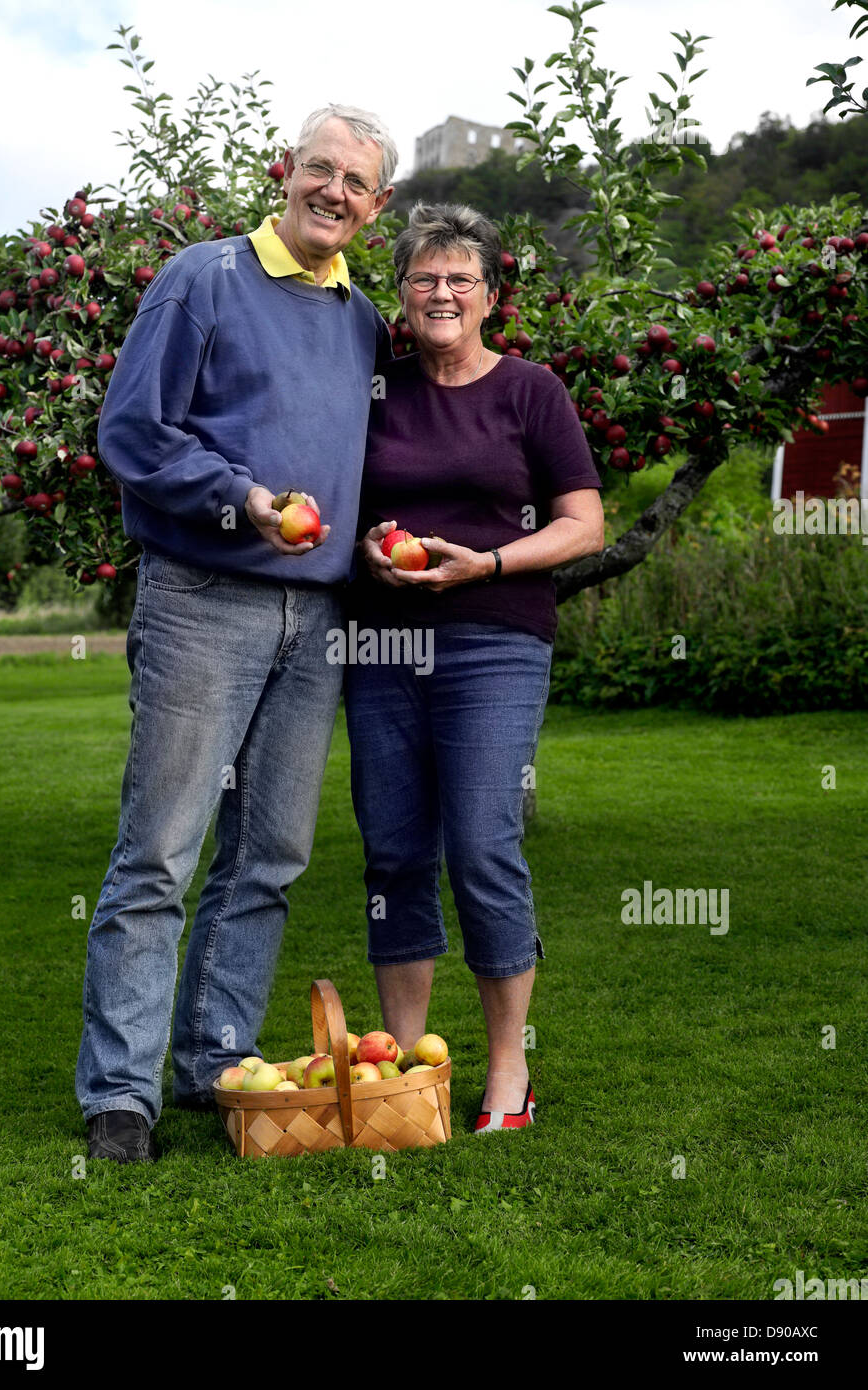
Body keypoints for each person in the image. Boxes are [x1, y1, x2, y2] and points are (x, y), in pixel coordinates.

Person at [76, 105, 396, 1163]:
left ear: (375, 205)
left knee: (270, 855)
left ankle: (214, 1065)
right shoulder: (202, 277)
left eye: (356, 182)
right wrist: (239, 498)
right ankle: (120, 1096)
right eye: (320, 169)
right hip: (206, 597)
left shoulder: (363, 321)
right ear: (287, 171)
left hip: (322, 617)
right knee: (161, 849)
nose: (333, 192)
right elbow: (130, 431)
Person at [344, 202, 605, 1133]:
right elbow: (342, 503)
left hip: (494, 637)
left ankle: (505, 1074)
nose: (441, 292)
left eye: (461, 278)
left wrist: (487, 562)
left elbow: (584, 523)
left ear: (490, 294)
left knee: (484, 846)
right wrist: (370, 542)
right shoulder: (375, 386)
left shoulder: (531, 391)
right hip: (381, 644)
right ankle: (404, 1068)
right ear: (401, 295)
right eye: (423, 277)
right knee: (393, 848)